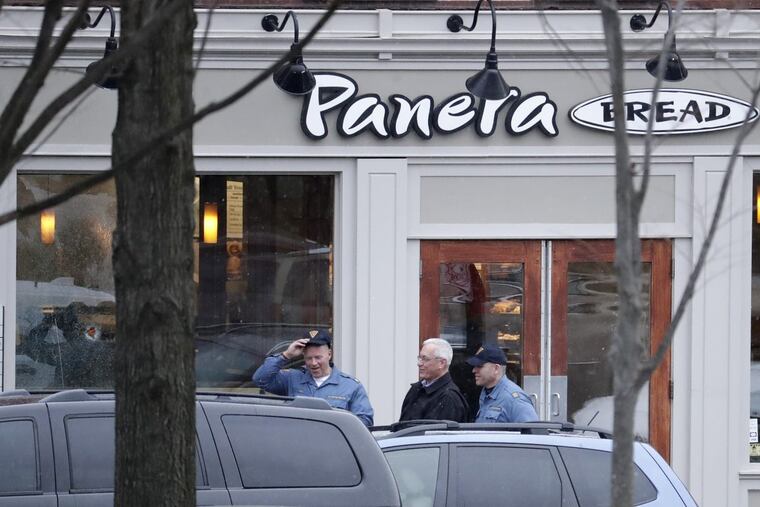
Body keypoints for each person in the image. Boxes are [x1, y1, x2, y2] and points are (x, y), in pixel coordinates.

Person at [253, 329, 374, 427]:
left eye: (318, 357)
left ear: (329, 354)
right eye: (308, 358)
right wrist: (286, 355)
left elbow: (364, 422)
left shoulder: (350, 386)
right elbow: (261, 379)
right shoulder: (292, 379)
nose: (313, 363)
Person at [399, 338, 469, 422]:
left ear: (441, 363)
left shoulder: (449, 398)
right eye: (420, 358)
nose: (419, 363)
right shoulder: (416, 389)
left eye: (425, 359)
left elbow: (439, 434)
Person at [467, 344, 538, 423]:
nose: (474, 370)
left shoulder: (515, 400)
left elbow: (531, 432)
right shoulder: (486, 393)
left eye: (479, 366)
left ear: (496, 368)